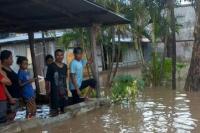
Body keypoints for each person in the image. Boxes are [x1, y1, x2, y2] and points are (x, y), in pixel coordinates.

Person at [46, 49, 71, 116]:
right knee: (54, 111)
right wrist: (47, 91)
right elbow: (47, 80)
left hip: (64, 92)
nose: (60, 57)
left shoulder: (65, 66)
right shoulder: (51, 66)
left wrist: (67, 89)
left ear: (63, 56)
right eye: (58, 55)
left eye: (61, 55)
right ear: (55, 56)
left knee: (65, 110)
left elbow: (65, 79)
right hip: (55, 92)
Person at [1, 50, 21, 121]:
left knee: (12, 116)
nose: (12, 60)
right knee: (8, 117)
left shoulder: (9, 68)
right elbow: (4, 87)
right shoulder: (2, 70)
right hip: (10, 98)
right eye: (11, 58)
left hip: (15, 96)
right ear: (5, 60)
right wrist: (10, 98)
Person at [0, 58, 12, 123]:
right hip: (1, 99)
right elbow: (9, 82)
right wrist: (1, 71)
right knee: (2, 119)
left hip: (2, 98)